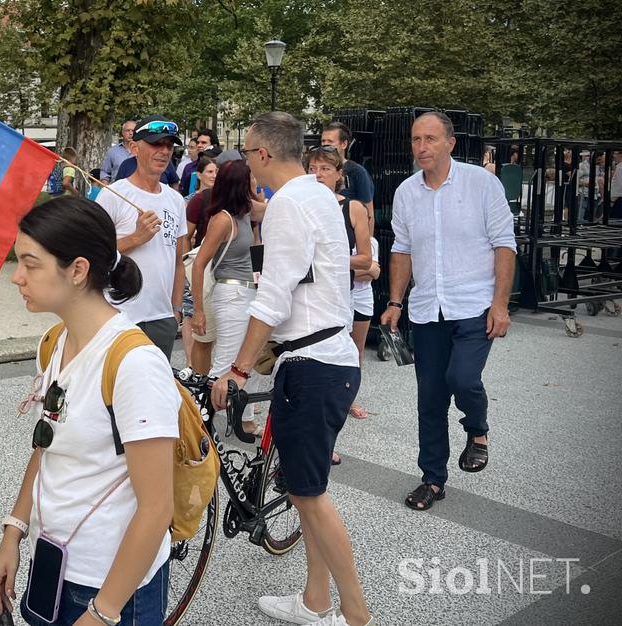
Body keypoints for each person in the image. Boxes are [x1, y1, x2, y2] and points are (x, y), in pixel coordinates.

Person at [212, 111, 373, 626]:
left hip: (312, 363)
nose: (245, 163)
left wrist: (237, 370)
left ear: (261, 154)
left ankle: (356, 615)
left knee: (311, 497)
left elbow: (274, 297)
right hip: (330, 357)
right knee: (307, 493)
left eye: (246, 153)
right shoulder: (318, 195)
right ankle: (315, 601)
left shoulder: (287, 205)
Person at [0, 195, 178, 626]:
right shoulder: (55, 342)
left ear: (77, 270)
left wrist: (103, 612)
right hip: (51, 565)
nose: (17, 277)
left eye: (30, 264)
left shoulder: (134, 364)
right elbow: (46, 445)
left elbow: (156, 508)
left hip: (110, 587)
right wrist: (13, 532)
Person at [380, 112, 516, 512]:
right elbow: (401, 250)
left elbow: (504, 245)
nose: (421, 147)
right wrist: (394, 302)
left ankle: (477, 430)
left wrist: (501, 304)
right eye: (416, 139)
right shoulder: (406, 192)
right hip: (427, 310)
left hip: (475, 304)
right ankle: (433, 479)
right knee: (431, 399)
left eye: (430, 139)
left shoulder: (482, 184)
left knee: (463, 378)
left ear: (450, 144)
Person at [306, 145, 377, 463]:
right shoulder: (301, 204)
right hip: (305, 297)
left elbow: (366, 258)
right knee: (304, 372)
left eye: (324, 168)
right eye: (312, 167)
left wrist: (330, 260)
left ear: (339, 175)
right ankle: (304, 440)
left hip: (339, 297)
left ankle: (328, 439)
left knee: (335, 372)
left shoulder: (354, 208)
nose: (317, 174)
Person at [97, 115, 186, 360]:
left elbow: (179, 262)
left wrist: (175, 311)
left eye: (169, 145)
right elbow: (92, 254)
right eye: (156, 144)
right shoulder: (113, 195)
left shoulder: (175, 200)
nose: (164, 151)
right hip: (119, 316)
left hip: (162, 319)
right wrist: (136, 238)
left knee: (156, 394)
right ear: (134, 148)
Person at [190, 160, 265, 437]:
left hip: (249, 291)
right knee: (225, 362)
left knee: (252, 357)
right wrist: (198, 310)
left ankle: (244, 419)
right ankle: (200, 422)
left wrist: (257, 194)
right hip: (231, 293)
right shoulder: (223, 219)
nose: (257, 182)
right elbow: (199, 264)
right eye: (252, 179)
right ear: (241, 184)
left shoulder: (245, 212)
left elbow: (270, 209)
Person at [182, 156, 219, 375]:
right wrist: (187, 259)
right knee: (192, 312)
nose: (214, 176)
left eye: (216, 172)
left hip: (218, 264)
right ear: (199, 175)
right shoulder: (193, 200)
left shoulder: (227, 199)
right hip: (199, 263)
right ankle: (190, 361)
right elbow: (186, 234)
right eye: (210, 172)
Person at [321, 121, 374, 227]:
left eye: (330, 141)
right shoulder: (316, 171)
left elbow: (369, 213)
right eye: (323, 141)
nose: (325, 145)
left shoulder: (358, 172)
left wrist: (368, 241)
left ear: (344, 144)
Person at [179, 129, 219, 195]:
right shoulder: (188, 167)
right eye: (198, 142)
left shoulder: (221, 166)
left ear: (213, 146)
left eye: (203, 143)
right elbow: (182, 190)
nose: (199, 145)